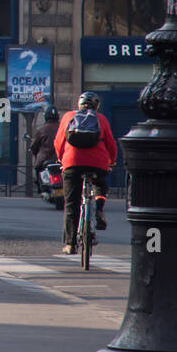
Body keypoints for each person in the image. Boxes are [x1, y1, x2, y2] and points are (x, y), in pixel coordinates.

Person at [54, 91, 117, 254]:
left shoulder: (68, 116)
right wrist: (111, 161)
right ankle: (99, 208)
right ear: (96, 106)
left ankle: (70, 244)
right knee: (100, 185)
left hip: (72, 162)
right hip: (98, 162)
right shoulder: (101, 119)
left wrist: (62, 159)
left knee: (71, 204)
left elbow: (59, 141)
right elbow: (111, 143)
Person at [29, 106, 61, 172]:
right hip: (60, 160)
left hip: (44, 161)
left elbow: (34, 146)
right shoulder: (62, 128)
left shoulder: (41, 130)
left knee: (37, 176)